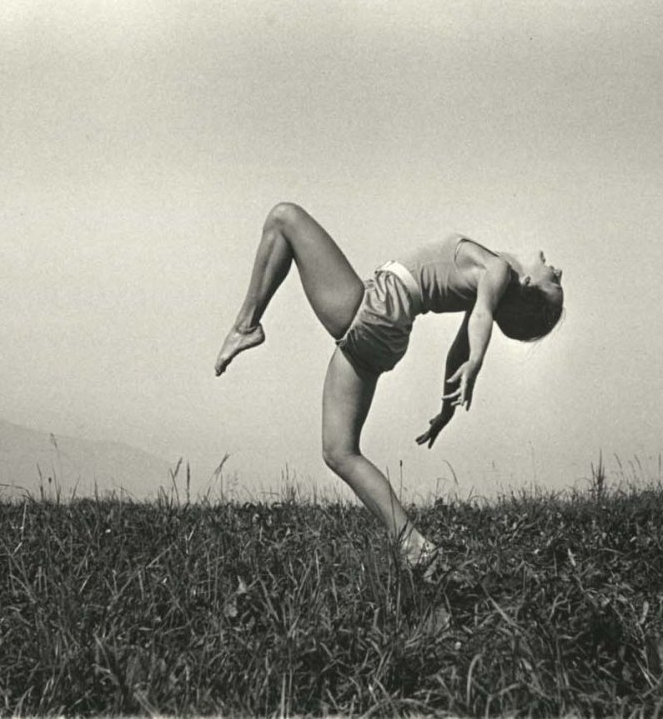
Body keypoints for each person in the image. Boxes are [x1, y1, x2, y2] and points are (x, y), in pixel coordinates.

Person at [214, 203, 564, 574]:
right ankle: (413, 544)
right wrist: (445, 408)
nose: (558, 269)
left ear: (528, 286)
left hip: (379, 310)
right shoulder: (489, 277)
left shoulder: (498, 271)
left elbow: (479, 323)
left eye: (554, 281)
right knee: (338, 451)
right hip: (383, 333)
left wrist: (475, 362)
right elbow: (460, 344)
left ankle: (246, 325)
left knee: (284, 217)